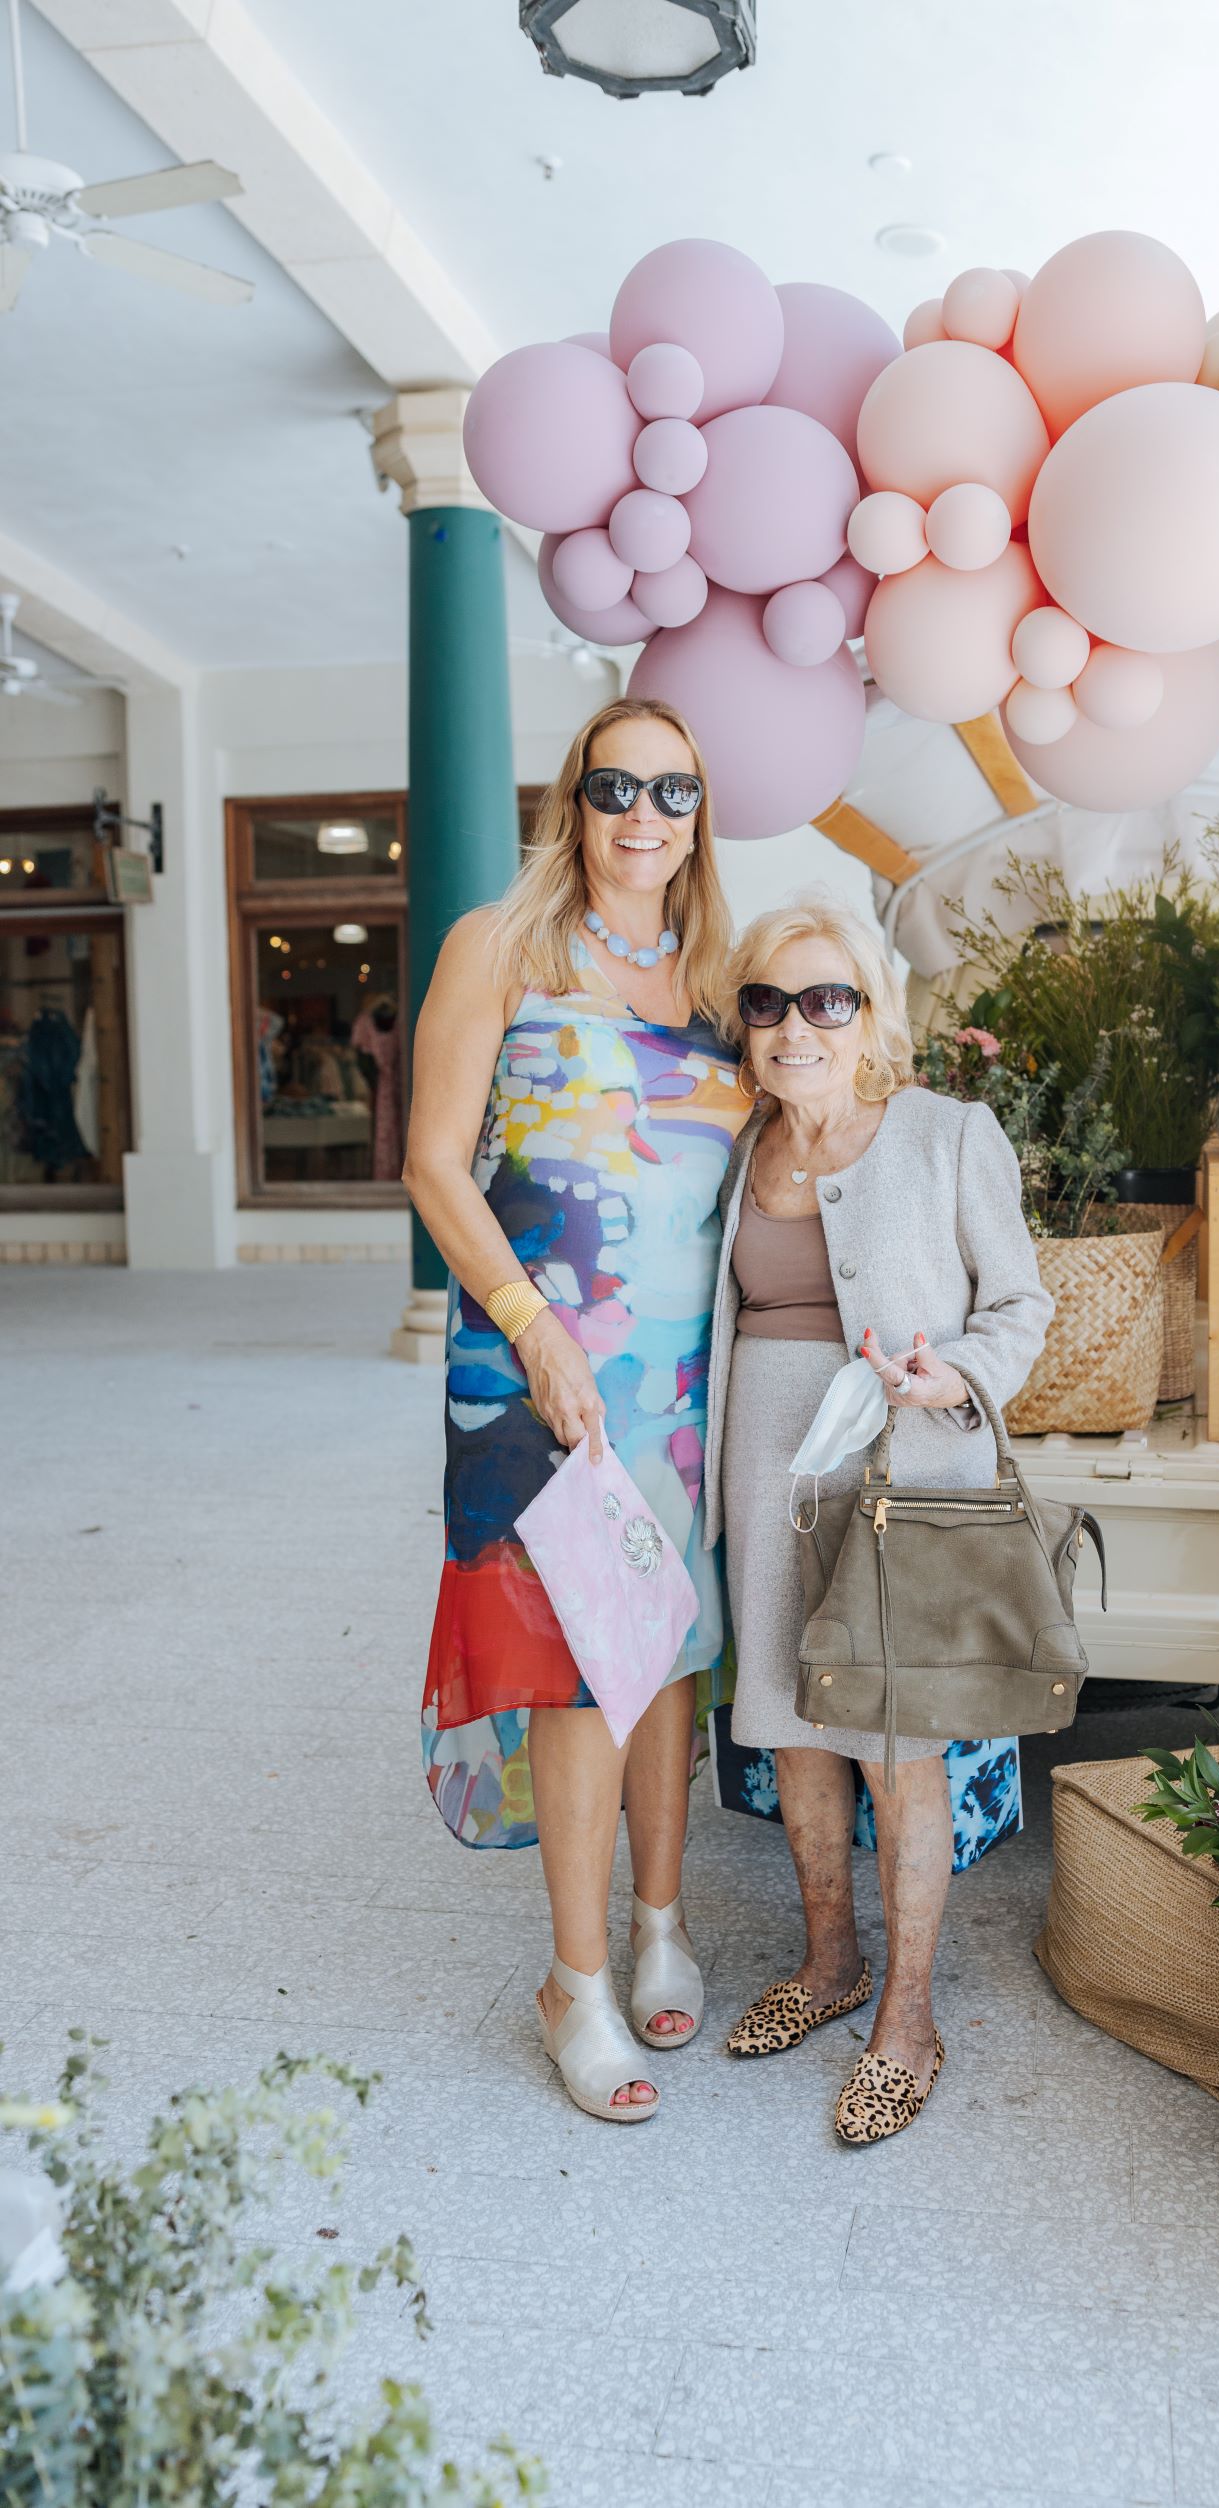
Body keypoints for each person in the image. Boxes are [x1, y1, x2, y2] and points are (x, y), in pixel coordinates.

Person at [404, 697, 747, 2124]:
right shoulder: (500, 945)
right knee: (570, 1665)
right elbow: (433, 1166)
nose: (644, 815)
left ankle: (664, 1922)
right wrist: (537, 1331)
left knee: (668, 1647)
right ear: (575, 798)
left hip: (686, 1378)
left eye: (673, 789)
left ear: (698, 811)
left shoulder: (726, 973)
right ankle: (576, 1981)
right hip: (539, 1365)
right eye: (617, 786)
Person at [706, 899, 1051, 2143]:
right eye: (768, 1002)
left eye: (826, 1000)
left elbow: (1021, 1308)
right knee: (794, 1729)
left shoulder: (948, 1133)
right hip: (765, 1469)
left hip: (900, 1472)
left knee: (896, 1750)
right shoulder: (737, 1143)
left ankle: (907, 2018)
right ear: (743, 1024)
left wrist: (954, 1375)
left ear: (870, 1016)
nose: (795, 1026)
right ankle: (827, 1964)